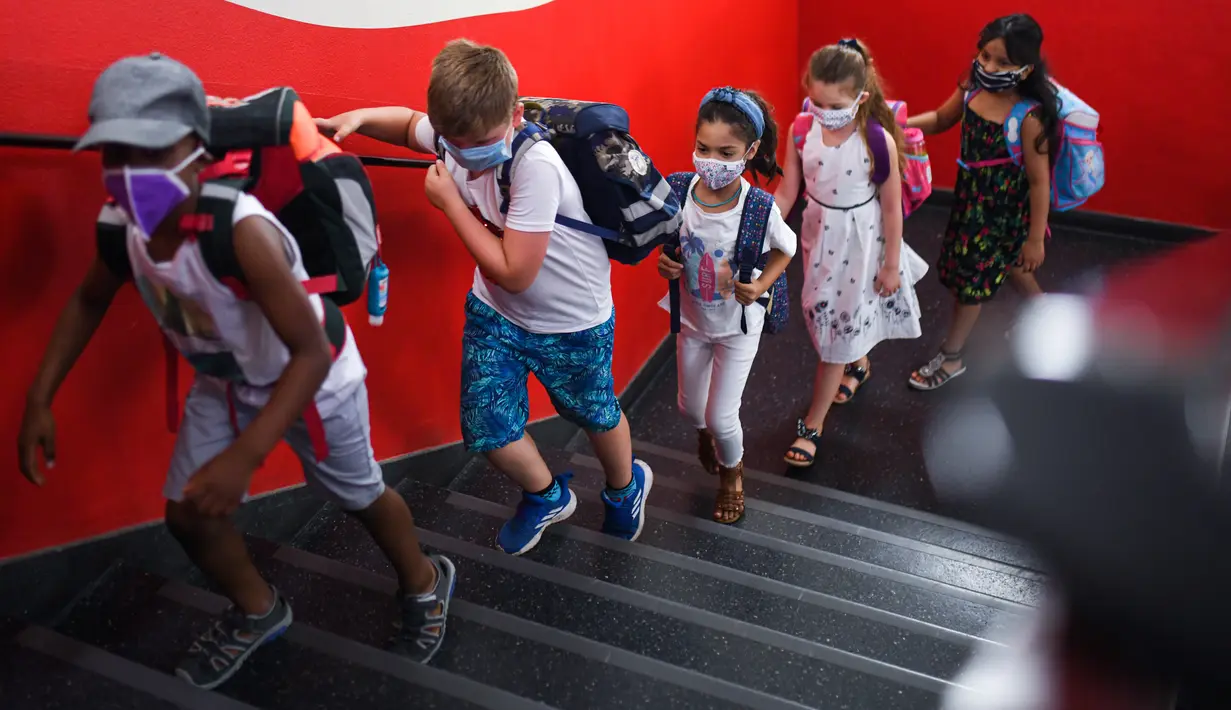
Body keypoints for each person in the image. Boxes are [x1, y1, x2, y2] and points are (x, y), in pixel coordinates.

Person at [15, 53, 455, 690]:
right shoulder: (123, 226)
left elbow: (309, 351)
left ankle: (423, 580)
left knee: (357, 495)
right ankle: (258, 609)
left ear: (194, 145)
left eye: (149, 151)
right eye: (114, 154)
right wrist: (39, 397)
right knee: (188, 515)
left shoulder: (239, 228)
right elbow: (88, 297)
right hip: (226, 381)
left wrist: (246, 456)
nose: (129, 172)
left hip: (316, 383)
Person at [315, 39, 651, 555]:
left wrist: (449, 203)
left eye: (479, 142)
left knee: (594, 413)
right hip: (497, 312)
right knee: (487, 428)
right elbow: (408, 125)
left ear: (515, 115)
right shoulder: (458, 136)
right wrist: (357, 119)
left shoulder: (535, 165)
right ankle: (546, 495)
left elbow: (516, 271)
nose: (463, 154)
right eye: (452, 141)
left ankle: (625, 487)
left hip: (571, 320)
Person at [775, 39, 928, 467]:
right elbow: (789, 190)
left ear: (861, 97)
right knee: (825, 312)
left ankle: (813, 425)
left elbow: (892, 207)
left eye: (834, 104)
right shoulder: (802, 130)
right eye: (815, 101)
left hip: (861, 242)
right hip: (819, 235)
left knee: (830, 338)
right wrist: (759, 229)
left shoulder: (877, 141)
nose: (823, 111)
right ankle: (857, 361)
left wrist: (892, 264)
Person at [657, 87, 796, 523]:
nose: (711, 161)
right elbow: (667, 247)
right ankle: (710, 436)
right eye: (703, 148)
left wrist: (760, 287)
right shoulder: (679, 191)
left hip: (737, 326)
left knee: (721, 416)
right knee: (689, 408)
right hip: (694, 322)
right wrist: (665, 264)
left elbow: (785, 249)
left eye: (726, 151)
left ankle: (732, 474)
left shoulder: (757, 207)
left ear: (750, 151)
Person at [906, 14, 1059, 390]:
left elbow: (1040, 182)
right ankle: (1049, 316)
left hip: (1004, 211)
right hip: (971, 202)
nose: (989, 67)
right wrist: (900, 124)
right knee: (1009, 265)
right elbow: (943, 118)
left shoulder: (1028, 117)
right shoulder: (972, 88)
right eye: (985, 56)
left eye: (1003, 63)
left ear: (1026, 68)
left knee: (970, 284)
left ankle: (953, 355)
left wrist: (1035, 238)